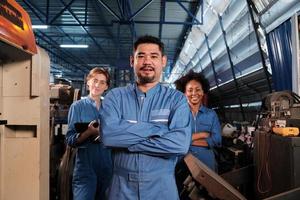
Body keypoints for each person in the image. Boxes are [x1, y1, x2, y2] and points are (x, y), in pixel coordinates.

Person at [100, 35, 192, 200]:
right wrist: (158, 129)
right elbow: (109, 136)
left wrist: (128, 143)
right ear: (132, 61)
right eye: (141, 56)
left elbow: (179, 145)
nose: (147, 62)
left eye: (154, 56)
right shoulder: (115, 97)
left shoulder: (176, 99)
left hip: (162, 188)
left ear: (163, 61)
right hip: (121, 189)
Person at [66, 67, 112, 200]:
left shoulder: (110, 108)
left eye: (102, 82)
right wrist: (88, 132)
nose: (97, 85)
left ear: (106, 86)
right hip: (86, 166)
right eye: (95, 80)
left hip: (107, 165)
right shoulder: (78, 106)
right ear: (88, 82)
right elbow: (70, 139)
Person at [175, 70, 221, 171]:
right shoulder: (177, 115)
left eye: (198, 89)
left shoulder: (211, 115)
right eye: (190, 90)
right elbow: (174, 139)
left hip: (207, 164)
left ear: (203, 91)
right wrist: (202, 135)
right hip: (182, 164)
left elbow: (217, 140)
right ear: (184, 93)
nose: (194, 93)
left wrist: (186, 141)